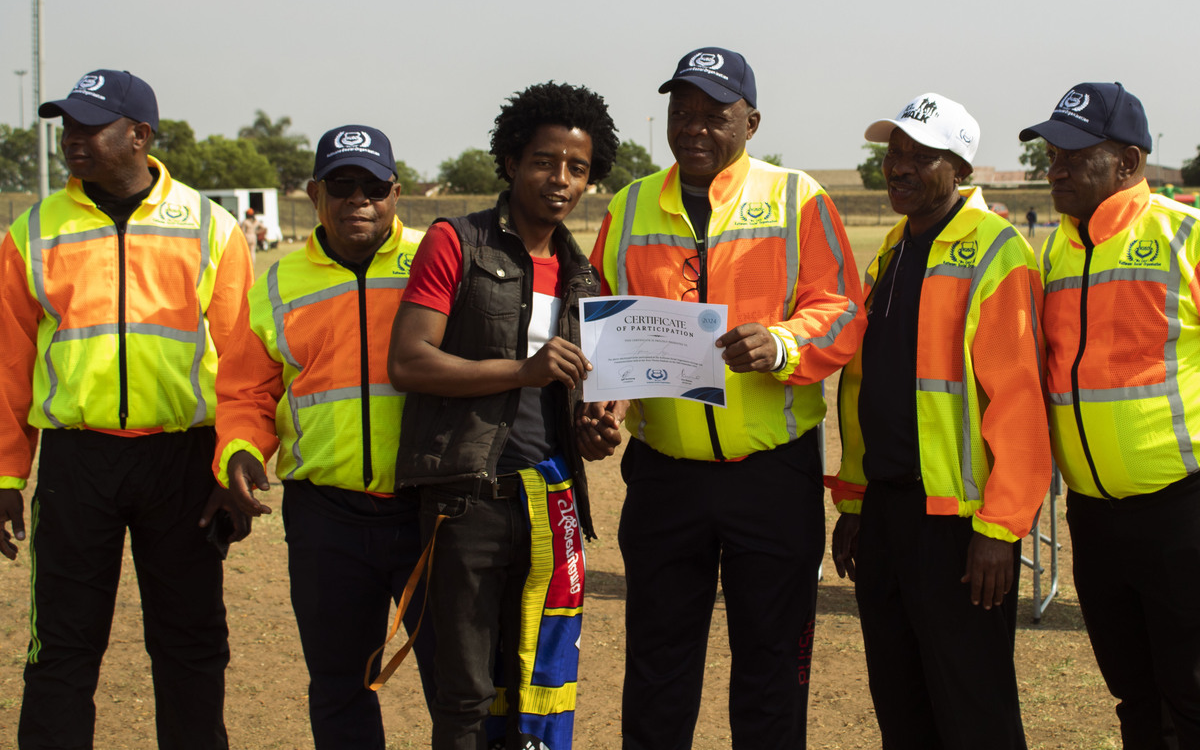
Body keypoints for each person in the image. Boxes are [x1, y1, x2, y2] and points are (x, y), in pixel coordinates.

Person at [586, 47, 866, 749]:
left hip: (770, 478)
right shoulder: (627, 206)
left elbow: (842, 310)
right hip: (664, 479)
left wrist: (783, 344)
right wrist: (606, 402)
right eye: (682, 112)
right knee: (657, 669)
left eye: (715, 114)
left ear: (752, 122)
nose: (695, 127)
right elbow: (602, 324)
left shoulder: (798, 198)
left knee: (772, 672)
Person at [0, 69, 254, 750]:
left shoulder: (210, 226)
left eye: (90, 126)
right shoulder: (33, 231)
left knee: (191, 641)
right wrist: (5, 474)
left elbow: (243, 365)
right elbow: (9, 364)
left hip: (182, 462)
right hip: (77, 464)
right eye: (67, 127)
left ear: (139, 135)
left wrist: (231, 462)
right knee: (62, 645)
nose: (72, 139)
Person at [388, 82, 620, 750]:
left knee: (539, 684)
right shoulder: (456, 242)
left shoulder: (584, 276)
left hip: (551, 502)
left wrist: (595, 432)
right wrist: (522, 370)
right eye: (545, 161)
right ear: (513, 161)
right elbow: (409, 361)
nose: (561, 179)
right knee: (465, 692)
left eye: (577, 168)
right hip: (467, 502)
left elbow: (575, 397)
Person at [828, 94, 1051, 750]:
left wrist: (1001, 531)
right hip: (887, 515)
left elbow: (1020, 402)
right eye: (894, 153)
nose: (899, 167)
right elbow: (868, 386)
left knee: (974, 713)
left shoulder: (995, 250)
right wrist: (855, 501)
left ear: (960, 168)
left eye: (920, 156)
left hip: (959, 529)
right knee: (902, 706)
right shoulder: (893, 250)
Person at [212, 125, 435, 749]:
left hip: (431, 511)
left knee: (458, 682)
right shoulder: (279, 284)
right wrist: (240, 451)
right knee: (339, 686)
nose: (358, 199)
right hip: (326, 518)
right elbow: (246, 392)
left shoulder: (435, 262)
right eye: (341, 185)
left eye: (374, 186)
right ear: (315, 194)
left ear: (396, 194)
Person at [1019, 82, 1200, 747]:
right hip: (1093, 520)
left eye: (1073, 156)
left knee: (1193, 695)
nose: (1055, 170)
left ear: (1127, 162)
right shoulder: (1055, 251)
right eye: (1051, 156)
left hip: (1182, 512)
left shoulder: (1184, 234)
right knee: (1133, 696)